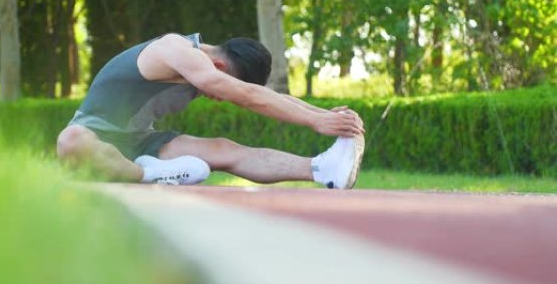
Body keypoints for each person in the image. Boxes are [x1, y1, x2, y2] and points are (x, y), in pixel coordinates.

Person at [57, 32, 365, 188]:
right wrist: (315, 120)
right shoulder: (177, 52)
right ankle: (150, 174)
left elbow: (258, 93)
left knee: (224, 149)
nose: (219, 97)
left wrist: (325, 115)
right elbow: (246, 95)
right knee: (70, 140)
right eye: (222, 87)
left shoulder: (207, 65)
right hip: (96, 139)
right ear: (218, 66)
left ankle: (322, 169)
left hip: (140, 143)